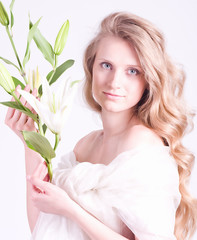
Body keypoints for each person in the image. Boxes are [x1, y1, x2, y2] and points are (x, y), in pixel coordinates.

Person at [5, 12, 197, 240]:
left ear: (149, 80)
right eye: (106, 65)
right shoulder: (85, 144)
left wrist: (70, 209)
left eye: (132, 71)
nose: (115, 81)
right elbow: (44, 227)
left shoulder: (143, 146)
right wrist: (31, 142)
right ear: (91, 68)